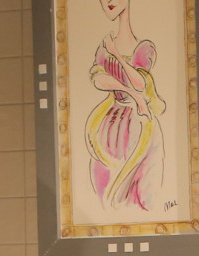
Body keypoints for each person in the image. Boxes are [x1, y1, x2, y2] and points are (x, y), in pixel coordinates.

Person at [85, 0, 165, 210]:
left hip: (138, 123)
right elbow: (98, 79)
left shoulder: (143, 47)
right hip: (109, 123)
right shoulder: (104, 46)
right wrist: (130, 93)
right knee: (103, 183)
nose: (109, 2)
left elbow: (140, 84)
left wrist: (117, 54)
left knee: (138, 184)